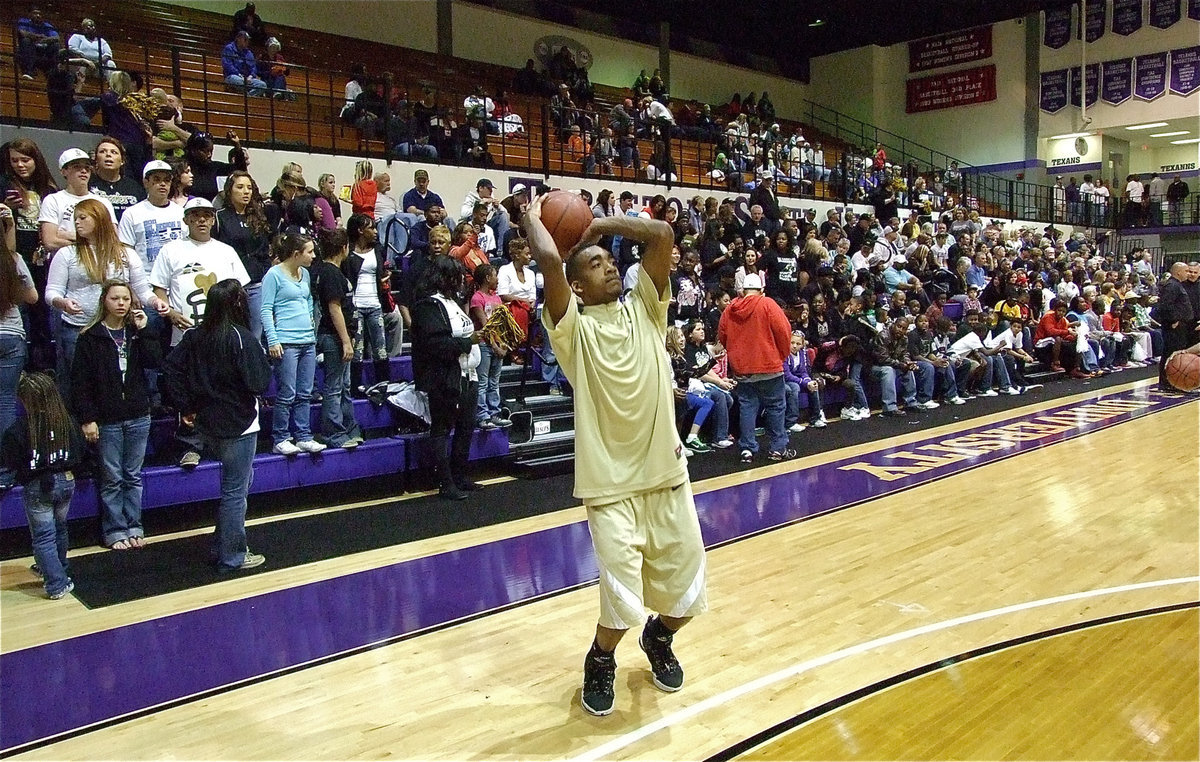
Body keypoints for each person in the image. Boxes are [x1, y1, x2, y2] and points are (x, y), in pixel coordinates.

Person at [524, 191, 707, 717]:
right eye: (596, 263)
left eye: (610, 260)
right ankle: (601, 658)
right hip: (609, 483)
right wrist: (538, 219)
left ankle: (661, 638)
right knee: (622, 599)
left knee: (687, 595)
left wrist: (600, 223)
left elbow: (664, 236)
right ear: (577, 286)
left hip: (666, 472)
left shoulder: (646, 309)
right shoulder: (572, 331)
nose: (609, 267)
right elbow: (552, 262)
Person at [163, 279, 269, 570]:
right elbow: (258, 382)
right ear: (237, 303)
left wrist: (185, 404)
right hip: (239, 424)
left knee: (237, 486)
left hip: (207, 423)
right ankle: (233, 555)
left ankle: (221, 544)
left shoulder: (195, 335)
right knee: (236, 492)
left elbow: (170, 368)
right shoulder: (241, 337)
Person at [44, 198, 164, 401]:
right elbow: (51, 292)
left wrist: (155, 302)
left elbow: (142, 290)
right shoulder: (67, 254)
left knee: (119, 380)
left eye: (83, 217)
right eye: (75, 219)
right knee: (82, 383)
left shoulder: (126, 254)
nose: (77, 223)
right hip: (80, 328)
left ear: (99, 219)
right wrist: (62, 303)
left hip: (119, 329)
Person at [71, 280, 160, 550]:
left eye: (125, 299)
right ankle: (114, 529)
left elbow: (155, 362)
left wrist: (145, 330)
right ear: (104, 301)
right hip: (107, 418)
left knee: (133, 476)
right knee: (112, 478)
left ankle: (135, 525)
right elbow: (80, 383)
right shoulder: (90, 337)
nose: (121, 303)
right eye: (115, 299)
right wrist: (88, 418)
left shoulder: (137, 333)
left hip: (137, 414)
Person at [0, 373, 84, 599]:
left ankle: (56, 584)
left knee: (43, 536)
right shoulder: (68, 421)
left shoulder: (20, 428)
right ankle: (58, 568)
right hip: (67, 481)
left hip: (39, 486)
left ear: (25, 401)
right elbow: (81, 451)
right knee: (60, 528)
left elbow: (9, 458)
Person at [410, 257, 482, 501]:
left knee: (466, 426)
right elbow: (435, 344)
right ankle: (446, 482)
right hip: (443, 376)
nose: (461, 280)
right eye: (457, 276)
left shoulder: (451, 302)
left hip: (467, 373)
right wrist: (468, 342)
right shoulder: (427, 305)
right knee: (442, 428)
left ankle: (460, 475)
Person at [261, 232, 323, 456]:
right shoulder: (273, 275)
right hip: (286, 341)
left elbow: (307, 300)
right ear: (297, 254)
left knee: (305, 392)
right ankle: (281, 437)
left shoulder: (304, 274)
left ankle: (304, 435)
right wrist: (273, 339)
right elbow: (266, 309)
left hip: (307, 340)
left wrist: (310, 321)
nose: (313, 256)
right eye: (310, 252)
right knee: (287, 392)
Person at [312, 229, 363, 449]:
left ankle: (349, 427)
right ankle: (333, 432)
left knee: (343, 385)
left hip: (336, 336)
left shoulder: (324, 271)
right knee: (334, 386)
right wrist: (345, 339)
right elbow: (334, 309)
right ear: (344, 248)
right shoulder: (330, 273)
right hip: (333, 337)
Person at [1, 206, 37, 488]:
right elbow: (32, 297)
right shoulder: (12, 260)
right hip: (11, 335)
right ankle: (5, 471)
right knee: (5, 405)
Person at [214, 171, 272, 342]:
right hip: (231, 285)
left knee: (255, 333)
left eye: (249, 188)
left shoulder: (258, 216)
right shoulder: (220, 217)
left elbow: (264, 249)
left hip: (256, 283)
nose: (246, 192)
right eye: (240, 187)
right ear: (230, 190)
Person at [344, 214, 391, 393]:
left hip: (375, 303)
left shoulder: (378, 250)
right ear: (360, 230)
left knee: (380, 347)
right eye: (370, 228)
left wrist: (385, 280)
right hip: (356, 304)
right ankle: (355, 386)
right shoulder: (348, 252)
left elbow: (381, 272)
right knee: (358, 348)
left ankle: (384, 384)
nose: (374, 231)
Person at [468, 264, 512, 430]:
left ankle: (495, 412)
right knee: (483, 382)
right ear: (487, 278)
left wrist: (504, 343)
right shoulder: (477, 298)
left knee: (494, 382)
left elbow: (501, 323)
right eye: (495, 275)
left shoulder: (497, 298)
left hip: (497, 345)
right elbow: (485, 325)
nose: (497, 279)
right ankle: (482, 415)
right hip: (484, 346)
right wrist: (494, 345)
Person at [1156, 262, 1195, 391]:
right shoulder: (1172, 285)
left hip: (1180, 326)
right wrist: (1175, 319)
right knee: (1170, 353)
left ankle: (1171, 382)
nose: (1188, 274)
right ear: (1178, 272)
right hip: (1173, 327)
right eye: (1186, 271)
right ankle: (1167, 382)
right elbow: (1165, 305)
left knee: (1175, 353)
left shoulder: (1177, 285)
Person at [88, 137, 145, 221]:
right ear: (96, 159)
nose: (108, 155)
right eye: (102, 151)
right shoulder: (87, 185)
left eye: (114, 152)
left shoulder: (135, 188)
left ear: (122, 161)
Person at [15, 7, 60, 79]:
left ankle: (51, 73)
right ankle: (28, 71)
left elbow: (57, 38)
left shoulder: (47, 25)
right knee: (26, 41)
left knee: (55, 45)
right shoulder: (24, 21)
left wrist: (44, 39)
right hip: (29, 48)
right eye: (35, 13)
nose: (38, 15)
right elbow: (22, 33)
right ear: (30, 14)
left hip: (43, 50)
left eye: (40, 14)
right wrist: (37, 36)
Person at [222, 31, 267, 97]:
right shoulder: (229, 48)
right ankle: (247, 96)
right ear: (238, 39)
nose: (247, 42)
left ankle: (247, 97)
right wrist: (239, 75)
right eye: (245, 39)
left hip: (247, 79)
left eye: (248, 40)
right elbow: (228, 65)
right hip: (232, 76)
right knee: (238, 81)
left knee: (262, 85)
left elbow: (253, 67)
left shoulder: (248, 52)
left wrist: (251, 76)